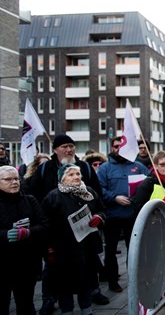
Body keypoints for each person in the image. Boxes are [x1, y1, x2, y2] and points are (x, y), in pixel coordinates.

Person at [24, 134, 108, 313]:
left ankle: (92, 294)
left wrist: (99, 217)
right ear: (55, 149)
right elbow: (33, 194)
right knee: (58, 277)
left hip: (86, 238)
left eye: (71, 146)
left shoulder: (85, 168)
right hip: (59, 240)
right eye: (64, 146)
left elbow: (99, 202)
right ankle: (49, 299)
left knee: (88, 271)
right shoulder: (46, 169)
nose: (69, 149)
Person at [41, 164, 106, 315]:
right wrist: (49, 247)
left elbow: (102, 209)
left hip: (87, 246)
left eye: (78, 174)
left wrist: (99, 217)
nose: (76, 177)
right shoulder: (53, 196)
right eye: (71, 175)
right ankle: (67, 310)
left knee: (87, 279)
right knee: (65, 283)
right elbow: (45, 223)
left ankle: (86, 309)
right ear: (62, 179)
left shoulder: (89, 192)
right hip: (63, 248)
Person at [96, 137, 148, 292]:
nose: (119, 149)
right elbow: (100, 189)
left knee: (134, 250)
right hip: (112, 215)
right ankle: (113, 281)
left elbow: (149, 184)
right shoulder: (105, 168)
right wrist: (114, 198)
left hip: (133, 216)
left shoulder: (138, 166)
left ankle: (134, 280)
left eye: (122, 146)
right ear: (112, 148)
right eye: (116, 146)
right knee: (110, 251)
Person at [0, 166, 49, 315]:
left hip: (27, 262)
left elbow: (44, 224)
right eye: (8, 179)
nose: (14, 182)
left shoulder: (29, 199)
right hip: (3, 263)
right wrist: (5, 234)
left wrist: (29, 232)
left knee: (26, 304)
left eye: (16, 179)